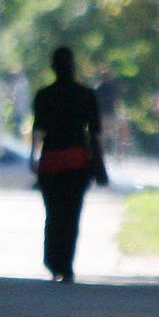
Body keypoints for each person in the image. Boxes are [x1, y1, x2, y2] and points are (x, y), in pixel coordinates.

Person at [28, 46, 105, 283]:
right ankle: (66, 264)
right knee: (72, 214)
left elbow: (38, 129)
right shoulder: (86, 95)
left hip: (51, 161)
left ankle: (53, 262)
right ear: (73, 66)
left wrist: (33, 156)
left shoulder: (44, 95)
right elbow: (94, 134)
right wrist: (98, 163)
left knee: (53, 214)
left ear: (53, 67)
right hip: (76, 161)